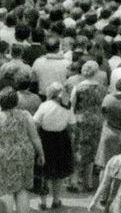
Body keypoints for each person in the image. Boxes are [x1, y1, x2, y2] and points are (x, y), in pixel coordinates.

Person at [0, 86, 45, 213]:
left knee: (6, 189)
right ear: (16, 101)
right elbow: (35, 137)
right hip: (24, 154)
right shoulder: (25, 115)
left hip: (3, 156)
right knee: (22, 189)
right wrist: (41, 154)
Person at [33, 81, 75, 211]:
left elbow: (35, 124)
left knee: (43, 171)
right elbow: (73, 125)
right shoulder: (67, 107)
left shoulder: (44, 106)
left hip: (45, 139)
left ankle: (43, 202)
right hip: (61, 139)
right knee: (59, 172)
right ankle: (56, 201)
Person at [70, 60, 107, 193]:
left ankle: (74, 180)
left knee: (79, 149)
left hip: (81, 120)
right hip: (97, 120)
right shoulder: (103, 88)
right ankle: (89, 181)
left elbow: (72, 105)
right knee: (92, 150)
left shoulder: (78, 88)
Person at [95, 75, 121, 171]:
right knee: (120, 168)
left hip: (108, 133)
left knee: (104, 167)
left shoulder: (108, 99)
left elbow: (103, 113)